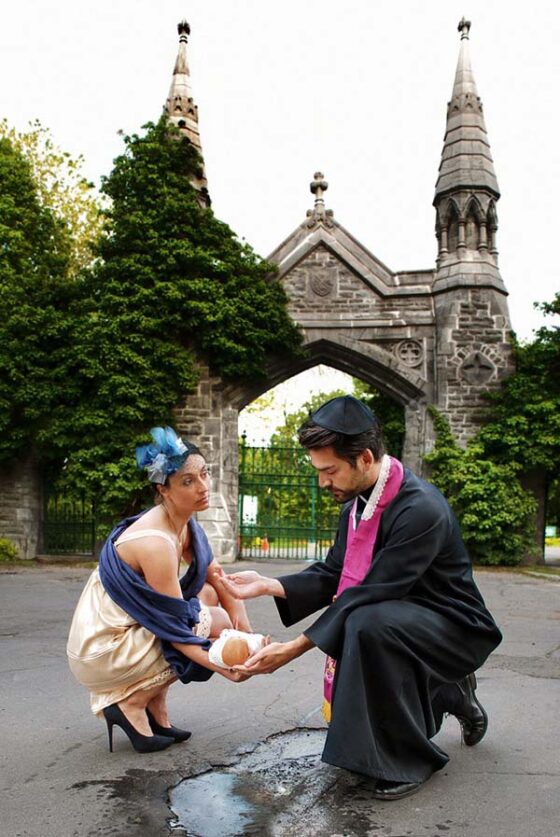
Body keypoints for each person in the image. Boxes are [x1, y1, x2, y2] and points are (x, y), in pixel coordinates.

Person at [218, 395, 502, 800]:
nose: (322, 481)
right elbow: (335, 571)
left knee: (367, 623)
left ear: (365, 458)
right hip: (407, 618)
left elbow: (369, 592)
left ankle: (408, 758)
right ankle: (449, 692)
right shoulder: (357, 505)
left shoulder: (420, 508)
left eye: (329, 470)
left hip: (456, 629)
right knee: (369, 622)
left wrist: (294, 649)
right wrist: (268, 584)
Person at [67, 427, 254, 754]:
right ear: (162, 489)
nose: (203, 487)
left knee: (210, 595)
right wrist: (227, 667)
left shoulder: (184, 523)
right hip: (103, 647)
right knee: (216, 621)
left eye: (204, 474)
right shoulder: (157, 543)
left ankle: (157, 707)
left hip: (128, 632)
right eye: (187, 481)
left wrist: (249, 637)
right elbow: (175, 630)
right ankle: (132, 703)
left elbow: (219, 579)